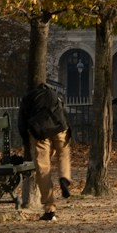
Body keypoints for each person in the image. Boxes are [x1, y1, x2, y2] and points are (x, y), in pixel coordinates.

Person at [20, 76, 72, 220]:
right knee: (63, 154)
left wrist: (26, 142)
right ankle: (64, 178)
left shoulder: (27, 99)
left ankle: (49, 209)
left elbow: (22, 123)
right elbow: (64, 113)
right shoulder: (54, 95)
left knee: (43, 167)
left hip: (39, 132)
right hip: (59, 126)